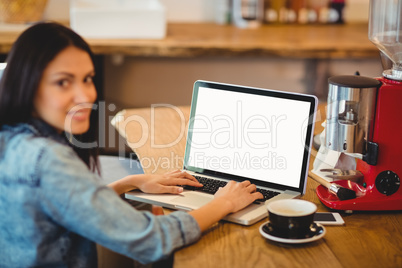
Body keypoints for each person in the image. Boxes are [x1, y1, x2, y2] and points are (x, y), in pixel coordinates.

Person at [0, 22, 263, 267]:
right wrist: (223, 203)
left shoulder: (13, 140)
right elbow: (150, 240)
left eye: (88, 78)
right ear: (28, 83)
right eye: (63, 82)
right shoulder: (48, 159)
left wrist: (131, 182)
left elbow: (68, 201)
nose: (85, 96)